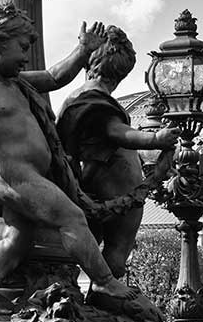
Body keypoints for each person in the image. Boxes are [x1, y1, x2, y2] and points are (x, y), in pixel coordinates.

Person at [0, 4, 147, 316]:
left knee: (17, 238)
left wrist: (82, 49)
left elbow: (54, 76)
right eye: (22, 48)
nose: (25, 56)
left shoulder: (15, 81)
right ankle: (103, 281)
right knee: (72, 217)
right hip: (12, 173)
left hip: (31, 172)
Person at [56, 25, 180, 277]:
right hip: (115, 188)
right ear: (120, 72)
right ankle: (106, 292)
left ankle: (101, 290)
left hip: (93, 184)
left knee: (93, 247)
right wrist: (155, 138)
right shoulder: (95, 98)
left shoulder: (78, 97)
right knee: (116, 251)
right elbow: (116, 132)